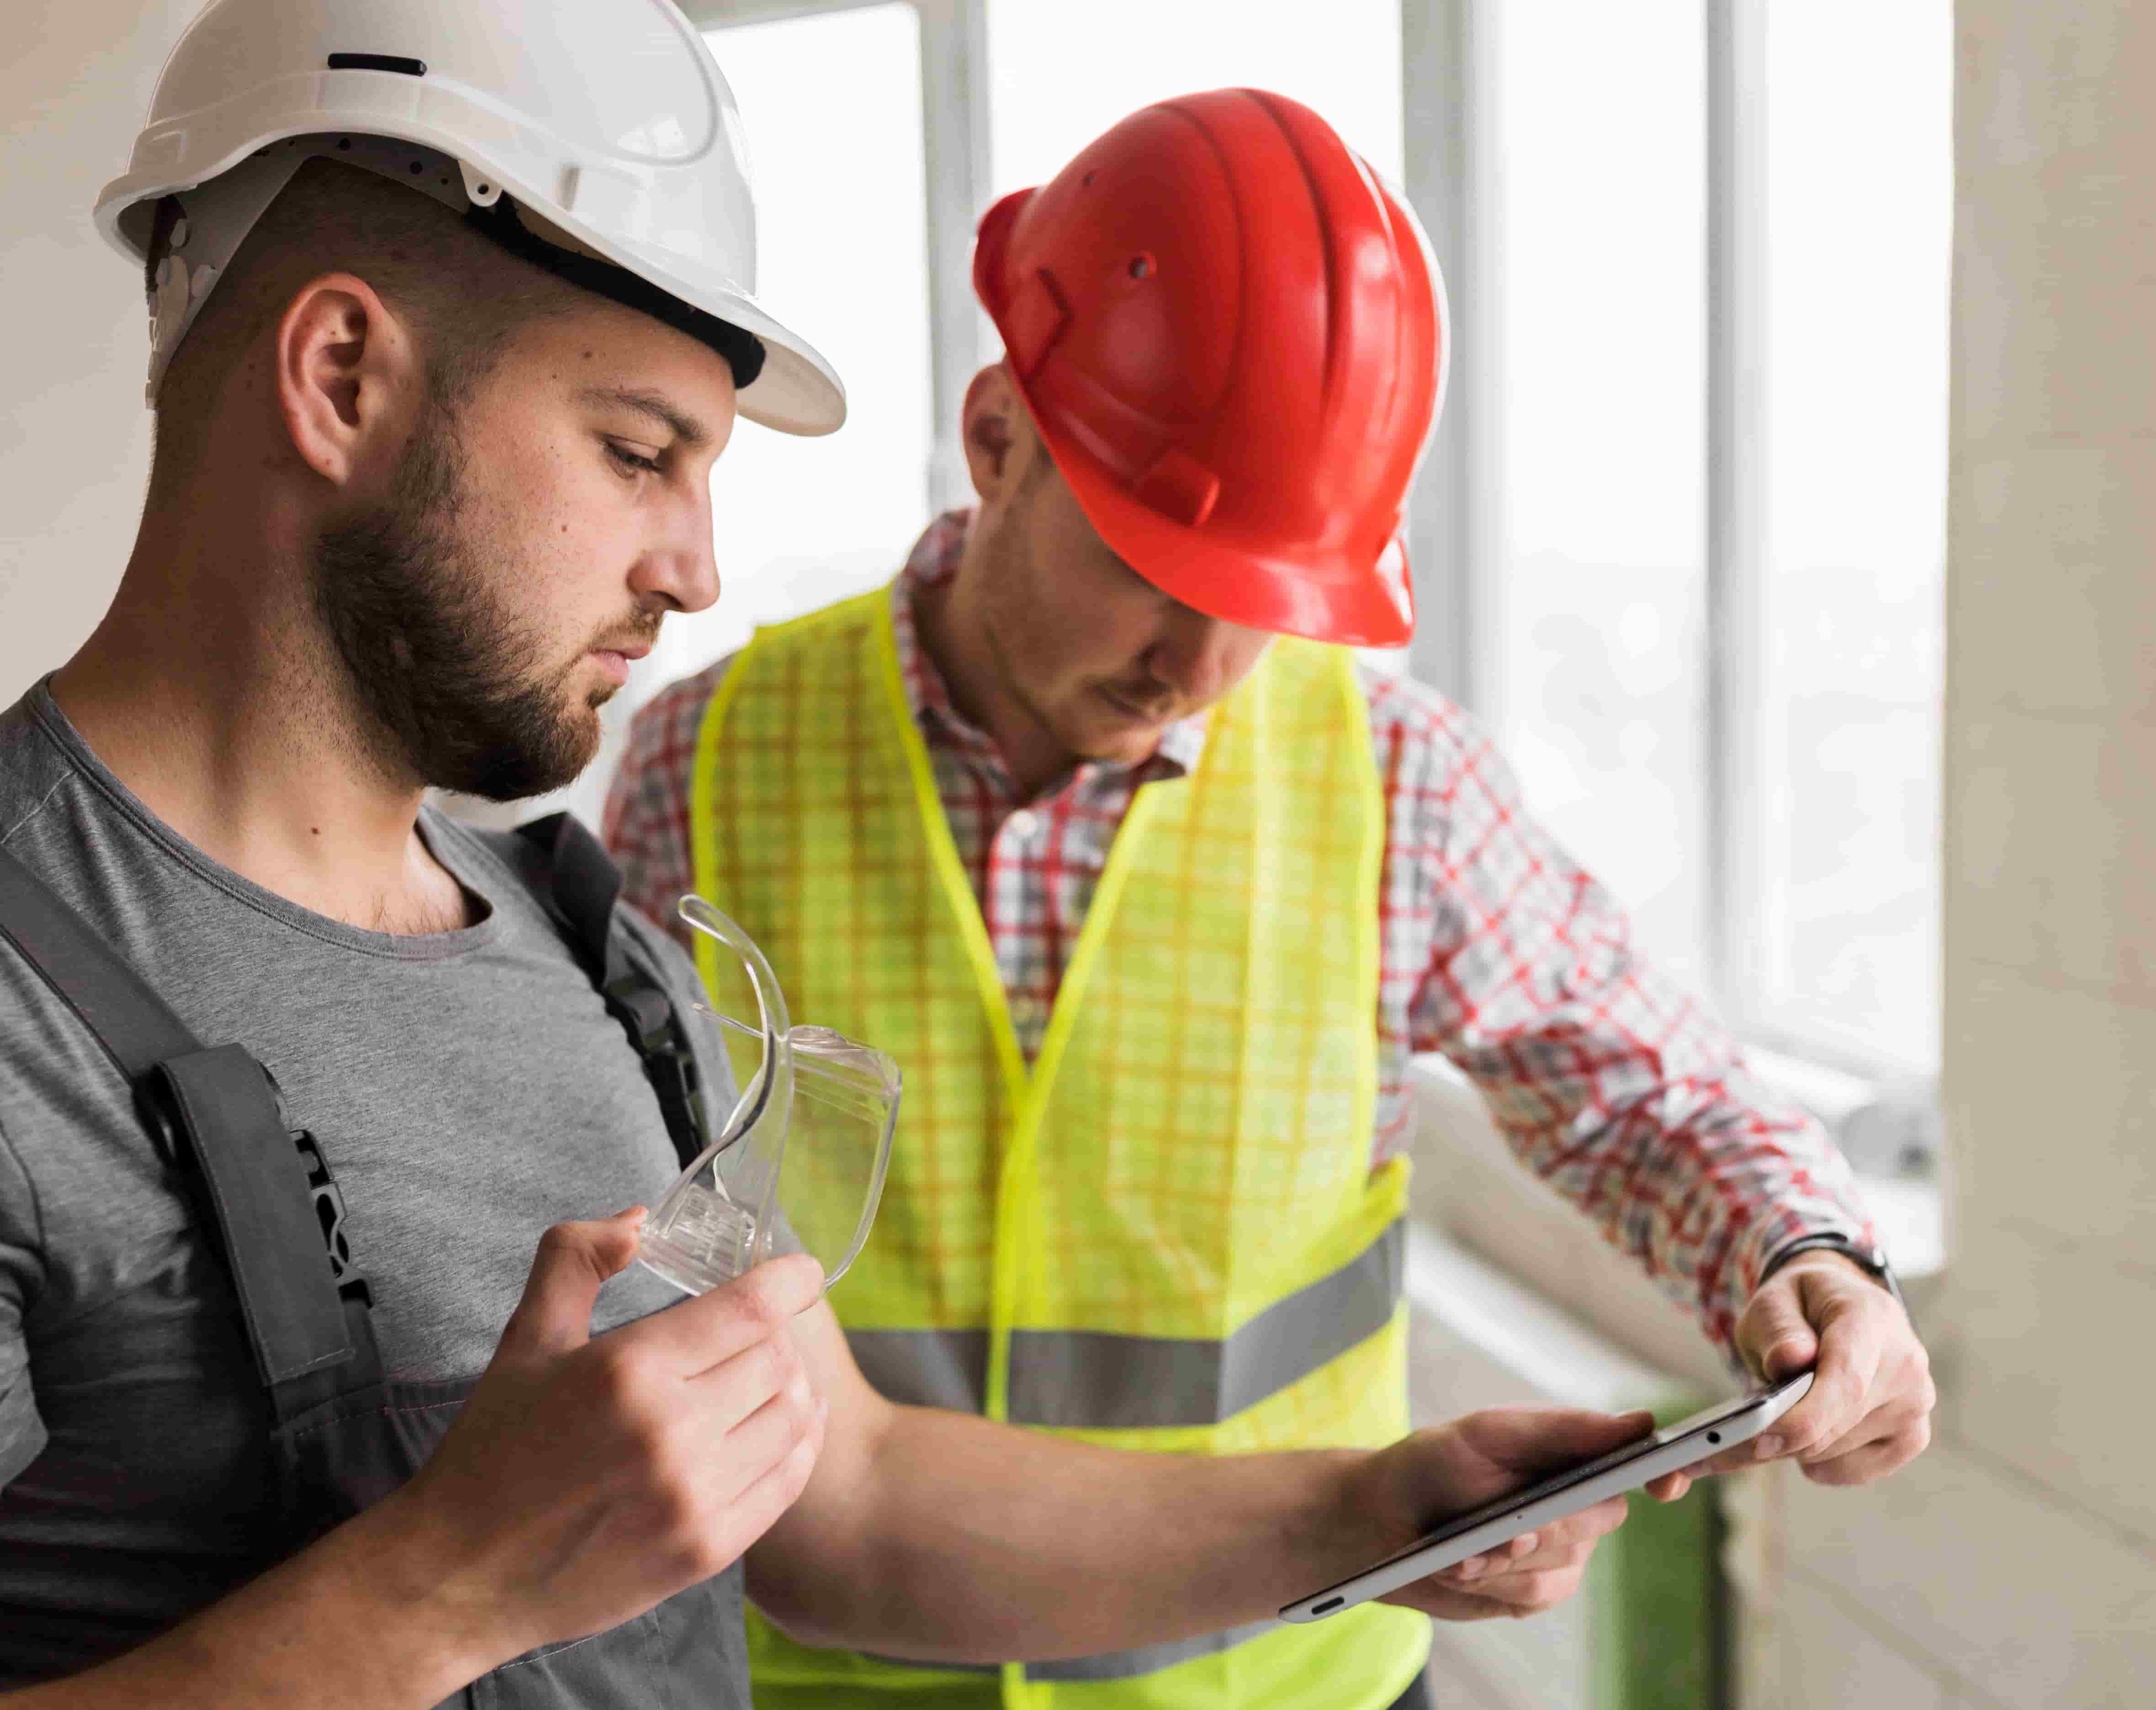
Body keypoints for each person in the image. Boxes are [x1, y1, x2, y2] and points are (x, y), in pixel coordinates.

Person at [0, 8, 1657, 1708]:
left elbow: (851, 1513)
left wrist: (1372, 1511)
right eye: (639, 452)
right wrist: (447, 1589)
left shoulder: (583, 951)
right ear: (343, 374)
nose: (697, 569)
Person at [604, 87, 1940, 1710]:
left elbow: (1639, 1079)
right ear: (998, 440)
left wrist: (1800, 1252)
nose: (1206, 667)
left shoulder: (1394, 778)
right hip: (842, 1683)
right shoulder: (707, 760)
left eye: (1267, 604)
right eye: (1160, 574)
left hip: (1286, 1682)